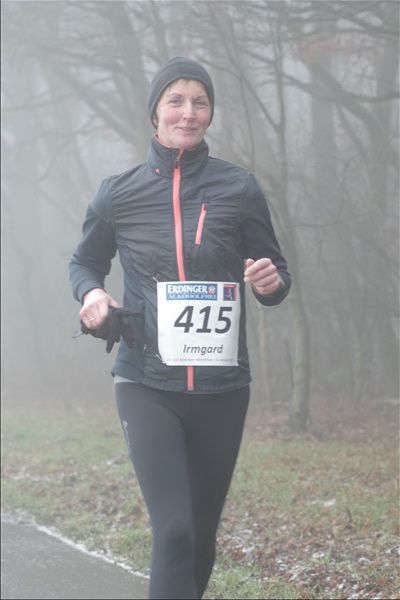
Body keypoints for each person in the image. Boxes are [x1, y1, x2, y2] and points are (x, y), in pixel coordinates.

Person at [69, 56, 291, 599]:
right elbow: (84, 264)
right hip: (146, 382)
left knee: (200, 538)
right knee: (173, 532)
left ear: (210, 112)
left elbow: (276, 275)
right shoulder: (117, 192)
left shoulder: (239, 189)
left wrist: (269, 282)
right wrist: (93, 296)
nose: (188, 113)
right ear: (155, 112)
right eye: (176, 101)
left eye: (200, 102)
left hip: (222, 388)